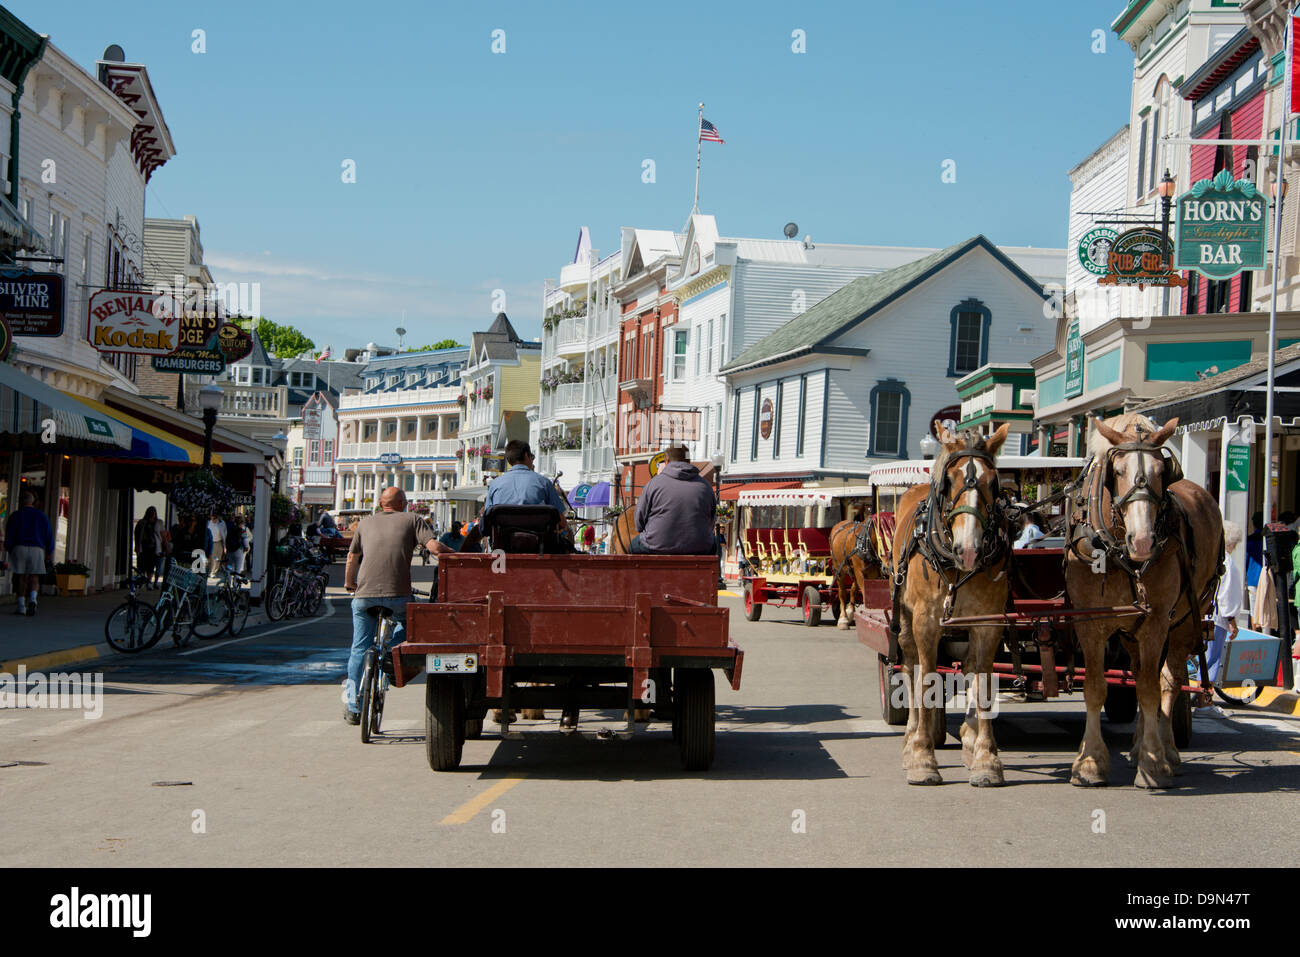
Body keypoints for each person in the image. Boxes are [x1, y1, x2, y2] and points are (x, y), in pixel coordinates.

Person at [342, 486, 454, 724]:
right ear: (402, 502)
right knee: (413, 627)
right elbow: (434, 548)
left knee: (358, 649)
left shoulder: (364, 523)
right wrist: (456, 555)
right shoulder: (412, 519)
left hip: (364, 597)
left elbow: (352, 557)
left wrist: (349, 583)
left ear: (381, 504)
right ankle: (391, 652)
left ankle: (352, 705)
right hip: (398, 596)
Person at [629, 446, 715, 555]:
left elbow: (639, 523)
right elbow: (711, 521)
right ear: (689, 461)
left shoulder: (653, 484)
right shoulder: (706, 486)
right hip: (700, 546)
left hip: (655, 545)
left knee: (632, 546)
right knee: (716, 545)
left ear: (666, 460)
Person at [481, 440, 569, 524]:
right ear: (527, 455)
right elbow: (561, 520)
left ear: (508, 460)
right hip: (537, 537)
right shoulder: (544, 482)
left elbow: (486, 519)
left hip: (502, 538)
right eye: (532, 457)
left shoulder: (495, 484)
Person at [4, 491, 53, 616]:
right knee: (34, 576)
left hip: (19, 547)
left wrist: (9, 549)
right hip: (37, 549)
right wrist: (49, 551)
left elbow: (9, 535)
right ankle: (33, 599)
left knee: (20, 577)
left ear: (21, 502)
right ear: (33, 502)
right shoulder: (42, 516)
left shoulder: (15, 516)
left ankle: (21, 606)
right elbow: (48, 535)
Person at [1208, 519, 1244, 685]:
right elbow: (1227, 594)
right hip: (1217, 619)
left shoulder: (1210, 556)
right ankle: (1205, 702)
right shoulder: (1228, 563)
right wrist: (1232, 621)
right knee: (1211, 660)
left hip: (1204, 614)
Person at [134, 506, 161, 588]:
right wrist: (137, 545)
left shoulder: (157, 523)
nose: (153, 514)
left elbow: (160, 534)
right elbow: (137, 534)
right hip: (144, 546)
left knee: (151, 566)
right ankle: (142, 581)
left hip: (153, 547)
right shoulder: (142, 522)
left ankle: (149, 581)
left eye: (154, 512)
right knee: (142, 565)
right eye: (151, 512)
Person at [1245, 511, 1264, 622]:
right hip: (1267, 579)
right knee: (1264, 610)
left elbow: (1246, 560)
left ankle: (1256, 633)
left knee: (1254, 610)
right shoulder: (1268, 540)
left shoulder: (1250, 540)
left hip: (1252, 579)